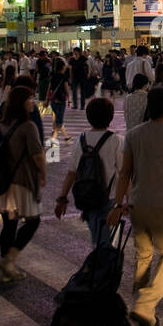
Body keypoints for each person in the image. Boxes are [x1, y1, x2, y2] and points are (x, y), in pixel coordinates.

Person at [107, 87, 163, 326]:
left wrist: (117, 203)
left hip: (137, 204)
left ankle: (142, 307)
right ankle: (145, 304)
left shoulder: (133, 134)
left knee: (144, 256)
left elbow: (124, 174)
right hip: (162, 205)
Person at [0, 85, 46, 282]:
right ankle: (10, 259)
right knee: (33, 221)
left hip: (5, 181)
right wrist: (43, 174)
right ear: (21, 103)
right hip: (22, 182)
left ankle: (7, 267)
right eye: (30, 99)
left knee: (9, 224)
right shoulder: (28, 126)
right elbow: (38, 156)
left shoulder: (4, 124)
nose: (33, 102)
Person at [54, 96, 125, 246]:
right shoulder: (116, 141)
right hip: (109, 200)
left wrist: (62, 199)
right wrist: (126, 202)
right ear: (110, 117)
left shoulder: (81, 140)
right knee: (106, 247)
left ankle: (99, 266)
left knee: (98, 242)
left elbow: (71, 173)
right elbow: (124, 174)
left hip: (88, 198)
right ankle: (100, 268)